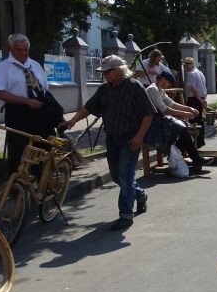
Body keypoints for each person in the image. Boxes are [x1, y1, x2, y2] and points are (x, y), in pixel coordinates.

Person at [63, 55, 154, 230]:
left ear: (119, 71)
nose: (104, 75)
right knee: (116, 176)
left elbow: (148, 114)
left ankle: (126, 215)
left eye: (108, 71)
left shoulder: (134, 87)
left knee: (125, 176)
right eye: (103, 72)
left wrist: (139, 136)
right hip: (112, 139)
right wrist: (73, 120)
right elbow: (88, 108)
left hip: (130, 139)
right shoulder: (104, 90)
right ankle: (140, 195)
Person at [0, 33, 64, 174]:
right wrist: (26, 101)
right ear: (11, 49)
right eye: (19, 50)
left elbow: (45, 90)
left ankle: (42, 181)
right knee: (18, 151)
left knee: (43, 149)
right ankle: (17, 183)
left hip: (39, 112)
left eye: (26, 50)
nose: (23, 53)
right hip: (18, 113)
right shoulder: (4, 67)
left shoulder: (35, 65)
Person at [145, 71, 212, 174]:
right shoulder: (152, 89)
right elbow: (164, 109)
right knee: (181, 128)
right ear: (163, 80)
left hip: (159, 121)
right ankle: (196, 159)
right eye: (169, 84)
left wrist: (189, 109)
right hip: (152, 124)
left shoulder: (159, 89)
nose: (169, 86)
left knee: (183, 127)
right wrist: (185, 113)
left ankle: (186, 159)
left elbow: (171, 104)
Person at [183, 57, 207, 148]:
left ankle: (196, 142)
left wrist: (200, 100)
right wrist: (203, 100)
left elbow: (194, 89)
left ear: (187, 66)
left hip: (194, 99)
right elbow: (203, 87)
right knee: (199, 120)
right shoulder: (199, 72)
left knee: (194, 121)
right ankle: (200, 141)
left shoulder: (190, 74)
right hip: (200, 98)